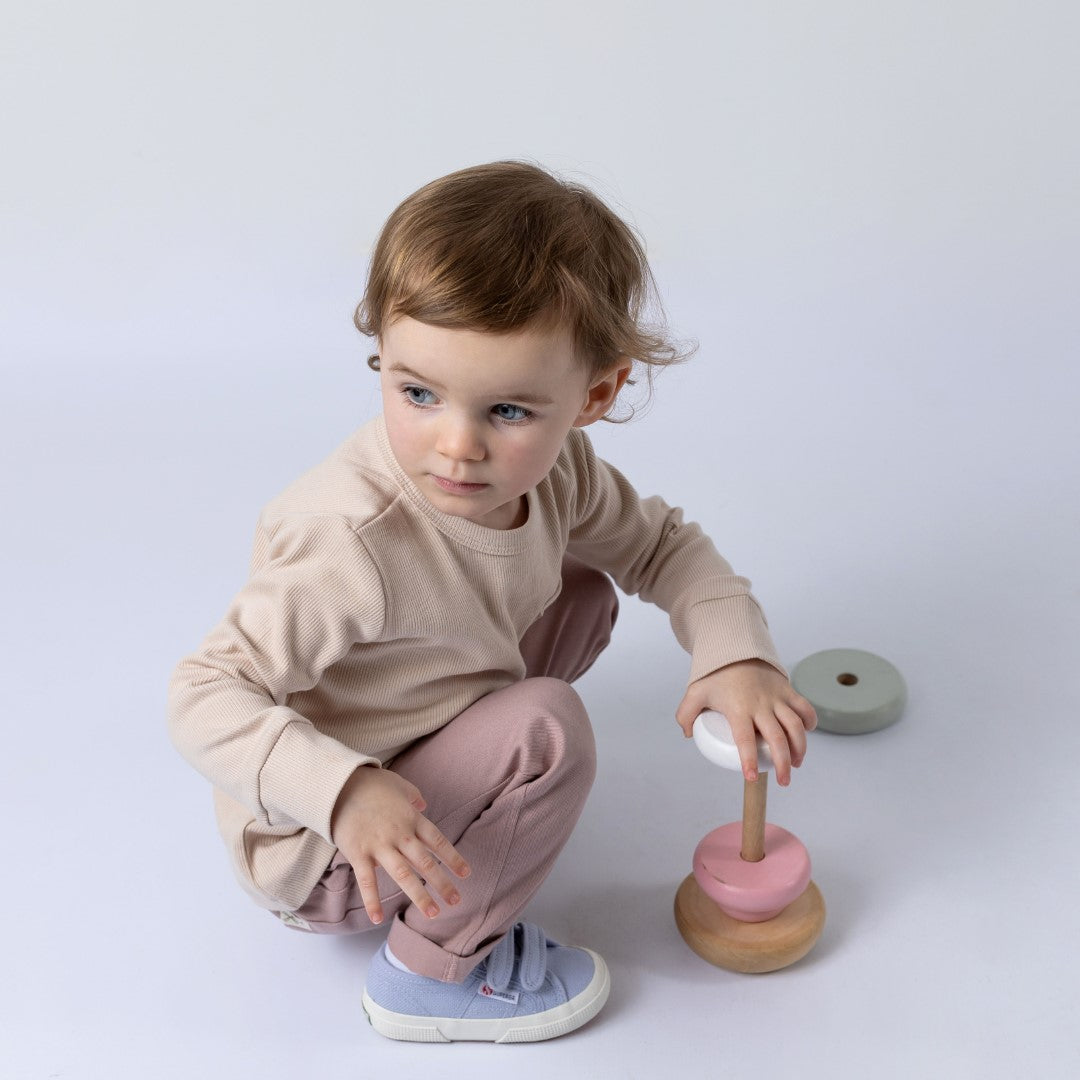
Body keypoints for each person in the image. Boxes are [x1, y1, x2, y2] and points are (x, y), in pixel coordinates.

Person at [167, 160, 817, 1044]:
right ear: (383, 357)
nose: (456, 446)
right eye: (418, 393)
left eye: (508, 410)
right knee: (548, 724)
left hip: (416, 724)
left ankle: (486, 771)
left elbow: (664, 546)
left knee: (583, 587)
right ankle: (430, 975)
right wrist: (344, 790)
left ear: (595, 395)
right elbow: (203, 695)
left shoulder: (562, 474)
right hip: (324, 852)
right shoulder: (349, 542)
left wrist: (735, 652)